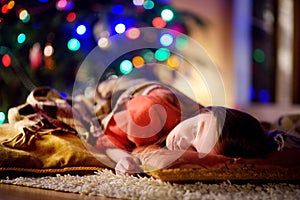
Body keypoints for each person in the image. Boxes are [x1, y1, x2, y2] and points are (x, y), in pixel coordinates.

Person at [94, 77, 273, 175]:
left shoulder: (205, 121)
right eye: (196, 130)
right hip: (117, 89)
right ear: (204, 112)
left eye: (194, 149)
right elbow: (106, 140)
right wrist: (123, 158)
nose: (182, 143)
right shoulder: (146, 115)